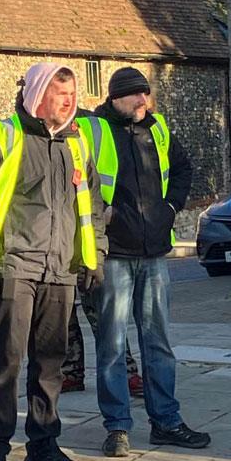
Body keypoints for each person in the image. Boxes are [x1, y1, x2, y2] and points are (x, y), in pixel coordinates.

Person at [0, 63, 107, 461]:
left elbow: (92, 206)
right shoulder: (4, 137)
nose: (70, 101)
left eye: (73, 93)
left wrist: (94, 255)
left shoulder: (77, 145)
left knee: (50, 363)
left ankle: (43, 445)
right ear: (38, 95)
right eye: (61, 93)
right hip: (13, 266)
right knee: (5, 359)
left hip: (60, 269)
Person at [87, 67, 209, 459]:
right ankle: (118, 427)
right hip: (114, 253)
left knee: (158, 342)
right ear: (116, 97)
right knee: (112, 344)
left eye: (146, 95)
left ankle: (167, 422)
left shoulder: (157, 129)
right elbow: (77, 179)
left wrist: (171, 207)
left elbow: (185, 168)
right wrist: (99, 214)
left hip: (154, 252)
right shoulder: (93, 129)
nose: (143, 102)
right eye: (135, 96)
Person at [63, 107, 143, 397]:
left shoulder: (90, 130)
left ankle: (123, 370)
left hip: (87, 235)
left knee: (101, 311)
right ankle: (73, 372)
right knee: (67, 314)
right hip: (63, 237)